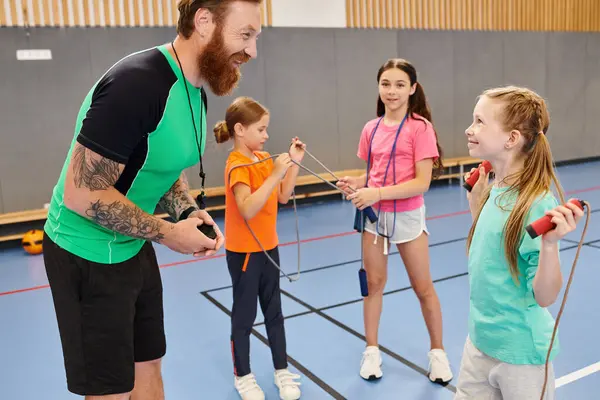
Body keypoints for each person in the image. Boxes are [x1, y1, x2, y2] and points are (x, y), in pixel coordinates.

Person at [42, 1, 262, 399]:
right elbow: (81, 192)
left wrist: (188, 211)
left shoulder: (194, 89)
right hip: (86, 254)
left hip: (132, 246)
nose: (252, 51)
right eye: (245, 35)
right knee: (111, 390)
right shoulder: (137, 85)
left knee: (149, 370)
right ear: (205, 22)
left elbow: (162, 167)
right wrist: (167, 233)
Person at [454, 86, 584, 399]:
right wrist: (477, 206)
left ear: (511, 139)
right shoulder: (493, 190)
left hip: (521, 355)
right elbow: (485, 259)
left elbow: (545, 295)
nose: (470, 130)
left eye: (480, 122)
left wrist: (550, 246)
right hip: (480, 343)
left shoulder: (536, 204)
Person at [336, 58, 453, 384]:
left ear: (412, 89)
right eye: (386, 84)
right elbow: (371, 174)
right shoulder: (370, 129)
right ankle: (371, 351)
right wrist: (357, 183)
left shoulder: (420, 128)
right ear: (379, 87)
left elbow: (421, 183)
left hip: (408, 218)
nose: (392, 91)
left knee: (423, 288)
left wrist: (376, 192)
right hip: (374, 220)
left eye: (400, 85)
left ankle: (438, 353)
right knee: (372, 287)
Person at [214, 96, 303, 400]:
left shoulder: (262, 158)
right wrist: (275, 172)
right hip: (245, 253)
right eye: (261, 129)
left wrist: (292, 164)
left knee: (274, 313)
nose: (266, 136)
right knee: (245, 315)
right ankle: (244, 376)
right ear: (240, 129)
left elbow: (282, 196)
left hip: (269, 248)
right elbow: (247, 208)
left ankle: (281, 371)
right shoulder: (236, 164)